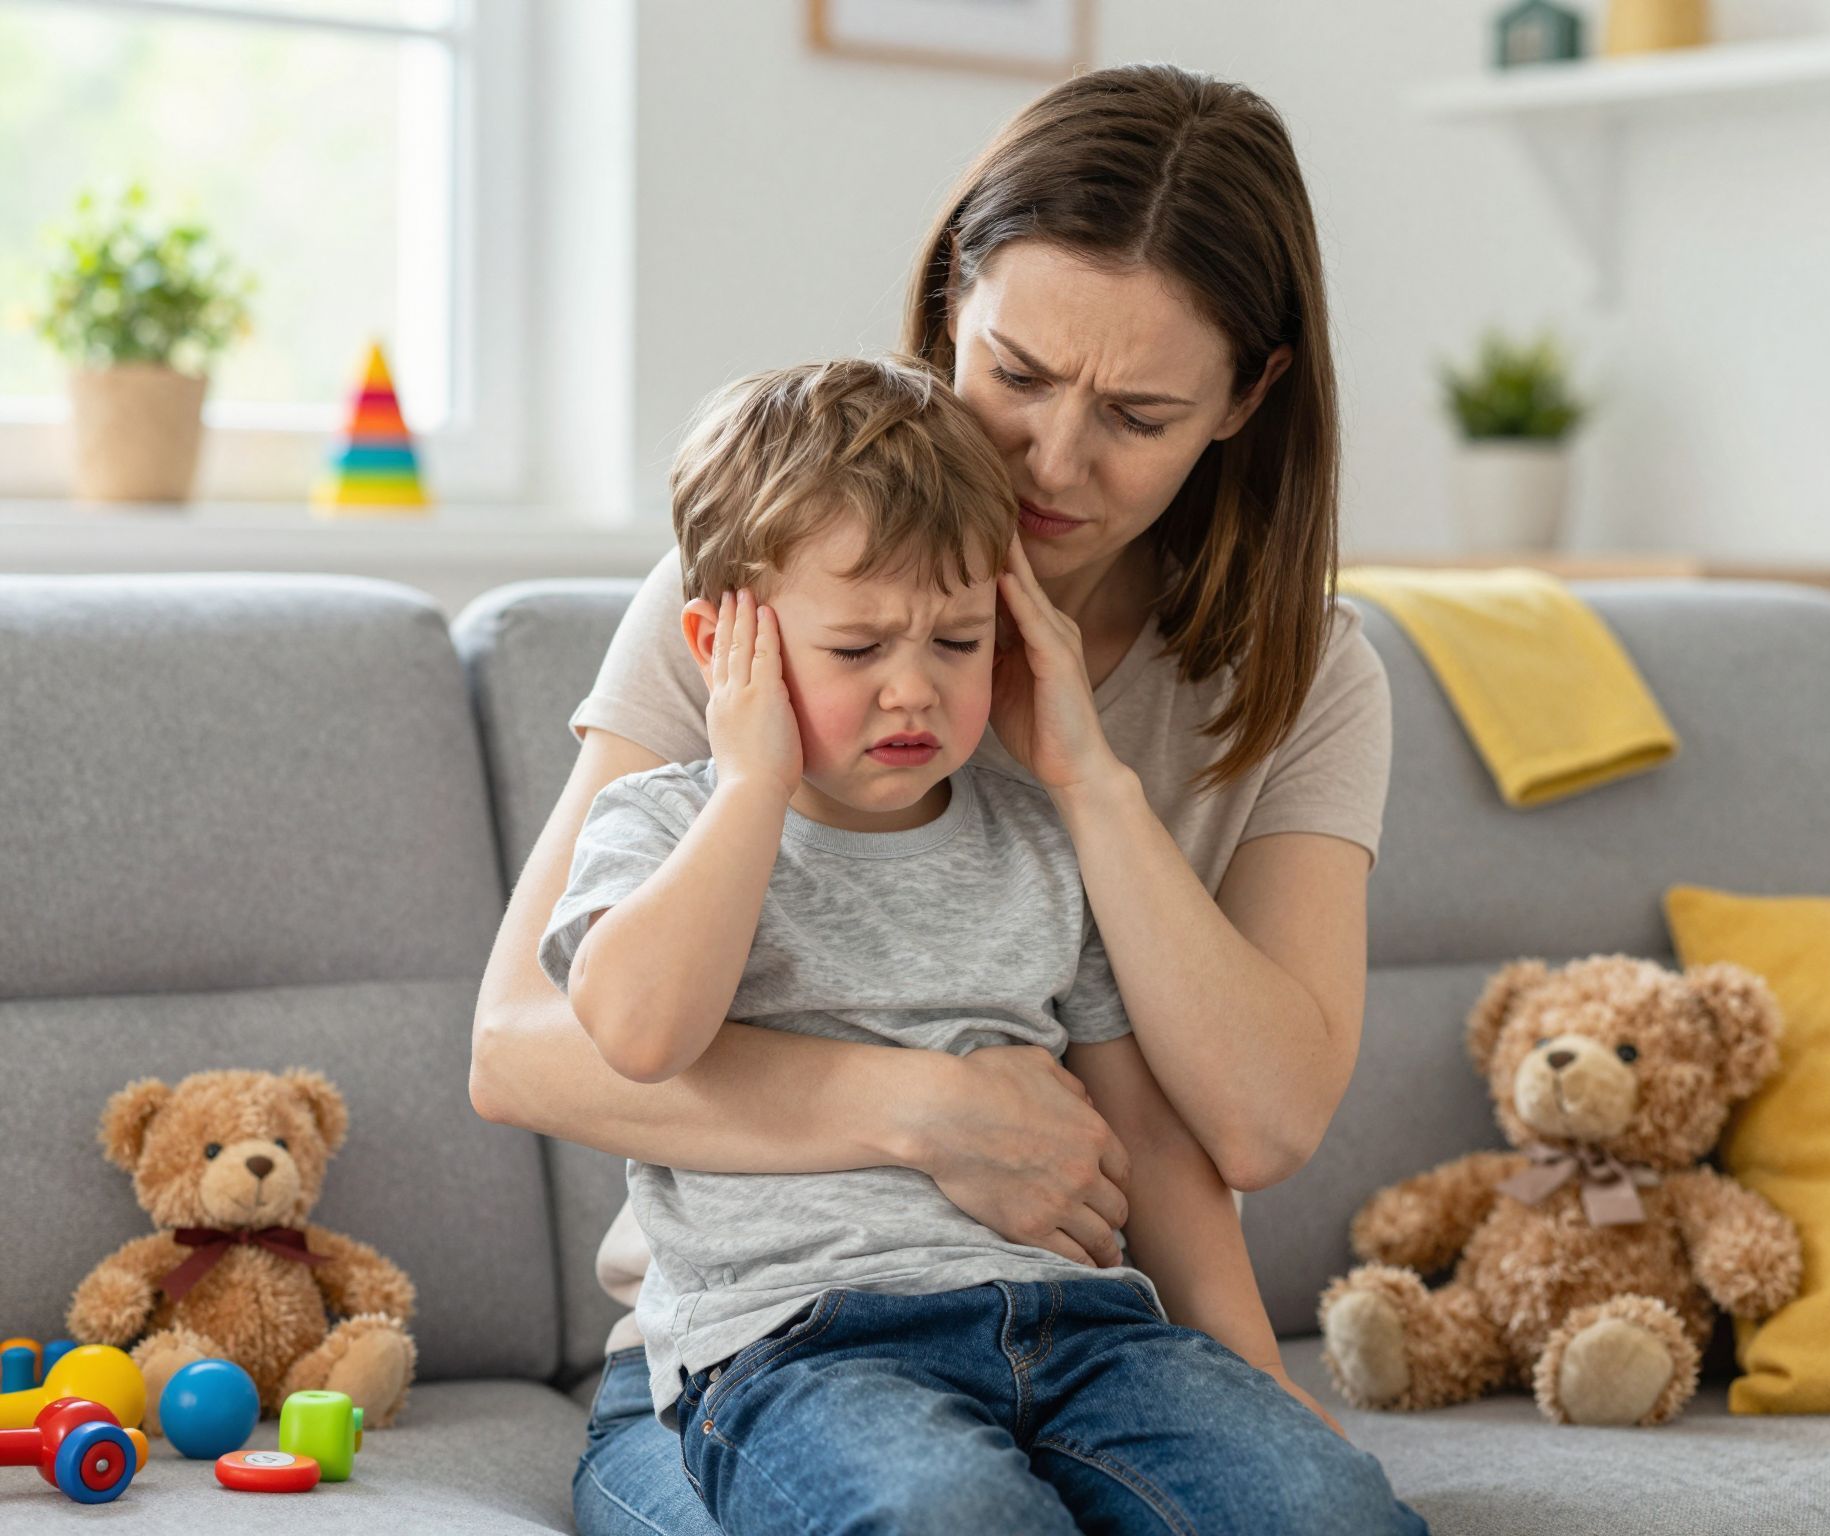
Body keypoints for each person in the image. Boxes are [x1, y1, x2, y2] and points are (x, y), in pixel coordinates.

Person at [468, 63, 1398, 1535]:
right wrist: (926, 1110)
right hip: (762, 1353)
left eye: (1140, 412)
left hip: (1074, 1335)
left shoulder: (1304, 676)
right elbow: (526, 1050)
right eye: (1017, 373)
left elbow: (1247, 1125)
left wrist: (1089, 780)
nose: (1051, 458)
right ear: (952, 295)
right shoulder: (760, 603)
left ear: (1248, 397)